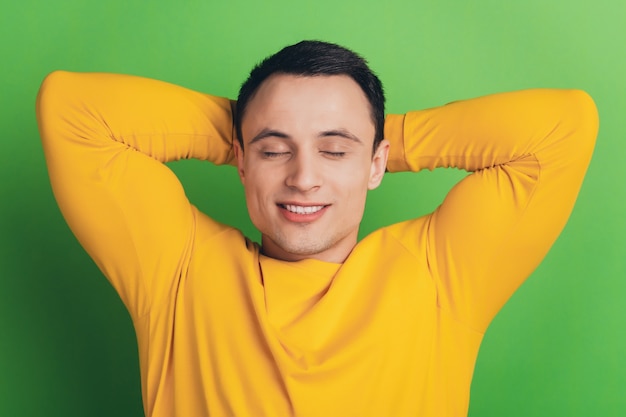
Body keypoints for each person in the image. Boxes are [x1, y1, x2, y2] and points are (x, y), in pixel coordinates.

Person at [36, 40, 598, 417]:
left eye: (334, 150)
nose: (304, 177)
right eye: (275, 149)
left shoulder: (436, 274)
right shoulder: (178, 270)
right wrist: (253, 131)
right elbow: (71, 109)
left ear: (376, 164)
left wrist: (372, 137)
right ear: (240, 160)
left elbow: (563, 127)